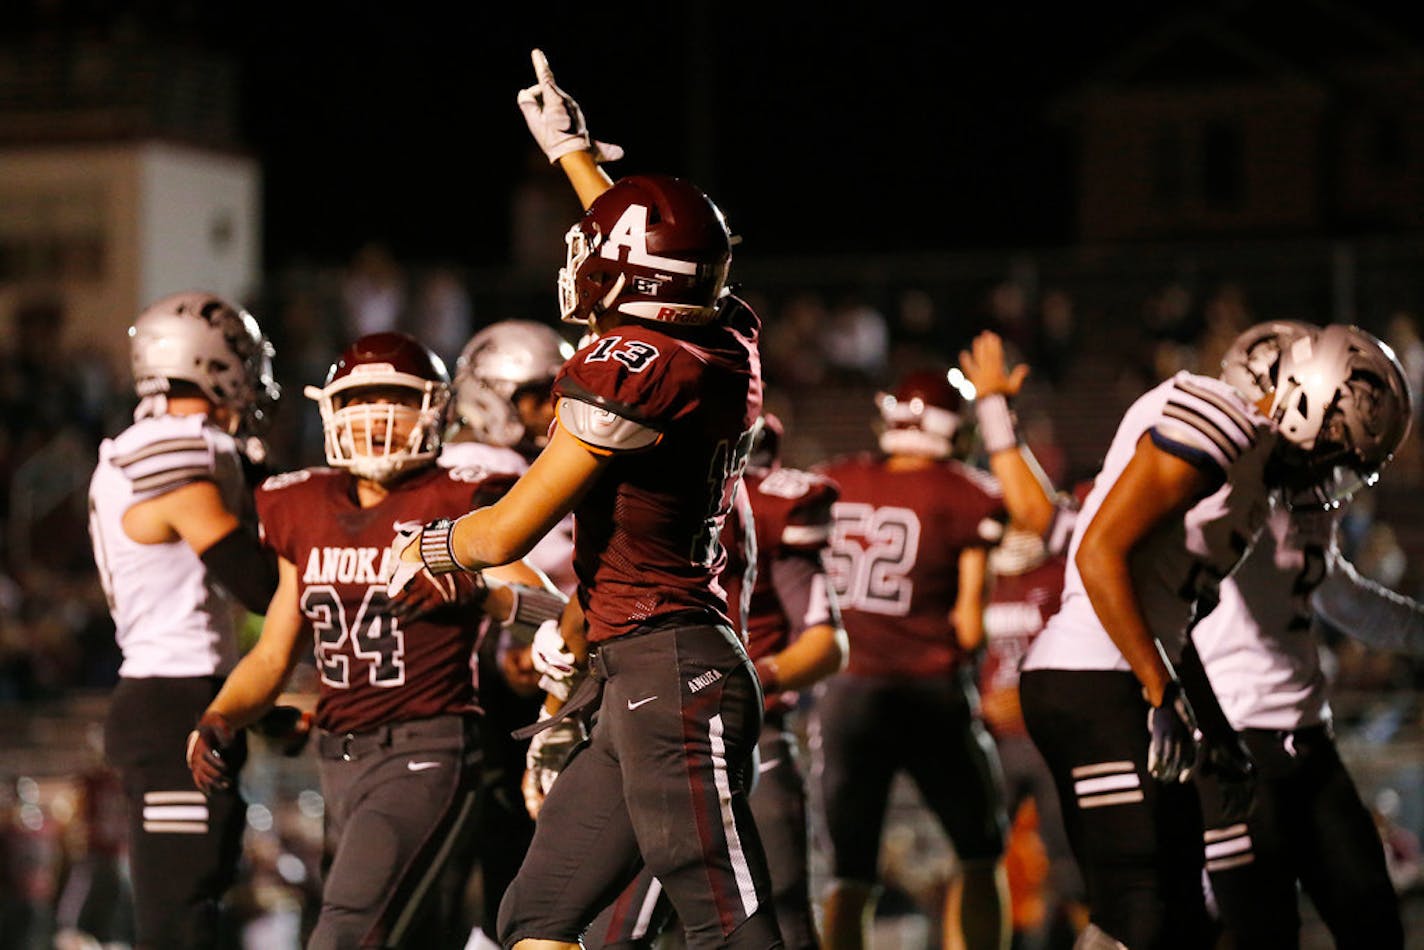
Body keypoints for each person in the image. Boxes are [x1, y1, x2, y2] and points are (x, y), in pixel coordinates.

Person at [388, 48, 783, 949]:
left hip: (671, 669)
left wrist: (432, 544)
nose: (581, 260)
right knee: (537, 917)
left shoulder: (629, 372)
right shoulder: (724, 337)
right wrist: (576, 159)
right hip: (639, 665)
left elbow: (508, 529)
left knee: (731, 925)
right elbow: (664, 257)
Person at [1017, 322, 1412, 949]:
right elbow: (1097, 553)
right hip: (1100, 680)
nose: (1329, 472)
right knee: (1141, 916)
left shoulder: (1252, 470)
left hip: (1130, 682)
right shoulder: (1218, 420)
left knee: (1176, 924)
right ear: (1305, 401)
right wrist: (1159, 692)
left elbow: (1177, 618)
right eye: (1335, 447)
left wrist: (1212, 729)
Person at [184, 331, 561, 949]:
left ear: (435, 410)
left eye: (396, 400)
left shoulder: (459, 496)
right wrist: (223, 714)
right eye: (360, 401)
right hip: (339, 757)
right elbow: (275, 651)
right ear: (333, 410)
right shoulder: (300, 503)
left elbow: (556, 607)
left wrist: (481, 592)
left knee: (345, 933)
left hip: (429, 746)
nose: (376, 419)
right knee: (409, 935)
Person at [582, 413, 849, 949]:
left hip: (737, 730)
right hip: (650, 725)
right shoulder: (639, 501)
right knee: (628, 920)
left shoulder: (766, 508)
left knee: (767, 914)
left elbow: (826, 644)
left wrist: (743, 675)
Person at [1193, 321, 1416, 948]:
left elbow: (1340, 595)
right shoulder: (1222, 478)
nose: (1341, 466)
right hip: (1236, 743)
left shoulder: (1303, 493)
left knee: (1375, 927)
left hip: (1308, 740)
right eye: (1338, 443)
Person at [87, 290, 281, 948]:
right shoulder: (171, 452)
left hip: (184, 692)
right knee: (179, 921)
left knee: (201, 904)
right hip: (172, 702)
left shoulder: (157, 444)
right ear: (212, 363)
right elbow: (257, 583)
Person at [812, 366, 1020, 950]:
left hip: (848, 692)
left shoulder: (835, 479)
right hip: (928, 692)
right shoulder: (962, 491)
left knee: (850, 874)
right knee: (980, 853)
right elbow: (969, 620)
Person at [443, 319, 577, 950]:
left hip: (443, 690)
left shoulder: (449, 459)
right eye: (535, 396)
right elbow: (537, 585)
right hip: (511, 680)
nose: (549, 411)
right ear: (490, 395)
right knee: (519, 868)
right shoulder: (492, 466)